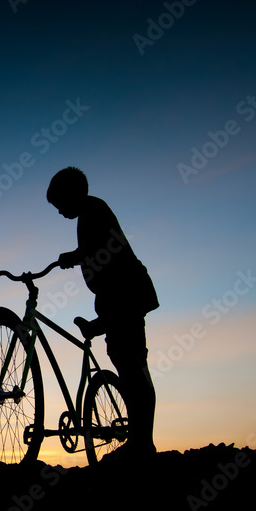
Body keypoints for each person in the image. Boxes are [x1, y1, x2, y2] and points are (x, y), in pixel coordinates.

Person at [48, 166, 159, 455]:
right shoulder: (89, 213)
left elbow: (102, 249)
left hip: (126, 294)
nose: (59, 213)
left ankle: (140, 444)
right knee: (126, 361)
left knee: (133, 368)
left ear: (72, 194)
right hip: (117, 298)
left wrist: (73, 256)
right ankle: (139, 442)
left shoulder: (93, 210)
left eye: (60, 204)